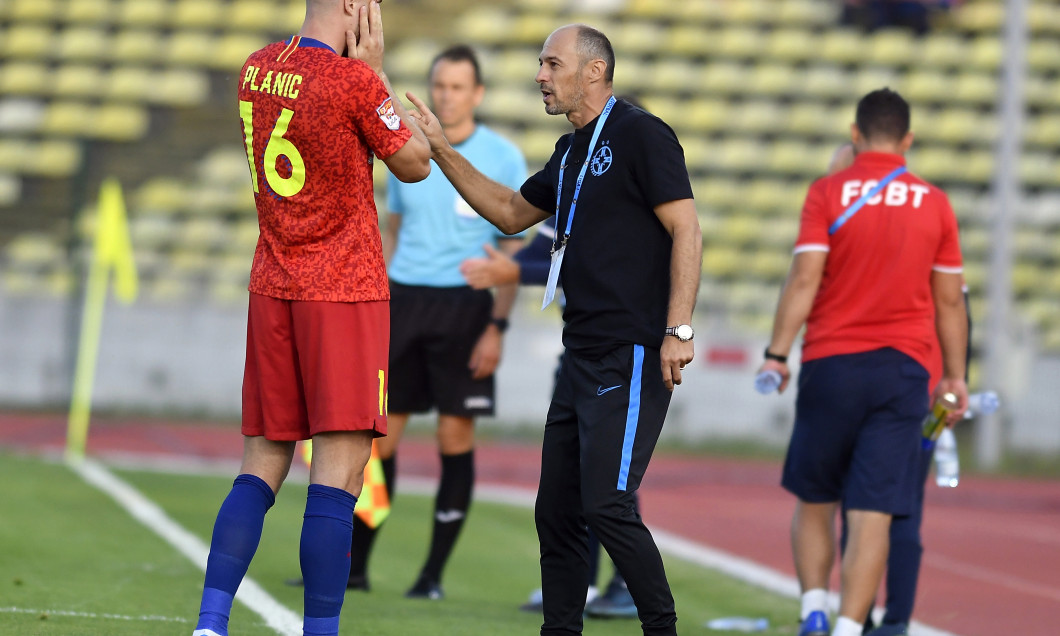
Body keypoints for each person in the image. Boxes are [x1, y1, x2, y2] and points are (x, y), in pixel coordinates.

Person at [406, 23, 702, 636]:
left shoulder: (641, 134)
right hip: (580, 354)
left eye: (551, 63)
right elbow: (513, 213)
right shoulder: (570, 151)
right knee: (558, 512)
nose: (540, 75)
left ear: (594, 70)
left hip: (633, 352)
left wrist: (679, 329)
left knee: (608, 506)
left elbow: (687, 230)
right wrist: (439, 149)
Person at [191, 2, 431, 635]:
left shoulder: (256, 68)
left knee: (260, 464)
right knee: (339, 472)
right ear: (355, 10)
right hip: (344, 293)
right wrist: (375, 77)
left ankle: (210, 624)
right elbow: (417, 163)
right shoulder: (353, 81)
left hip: (274, 283)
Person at [756, 88, 968, 636]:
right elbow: (950, 301)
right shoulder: (935, 203)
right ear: (908, 140)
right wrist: (956, 378)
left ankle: (814, 611)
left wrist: (777, 355)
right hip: (902, 373)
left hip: (832, 363)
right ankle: (852, 629)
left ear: (854, 134)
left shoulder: (827, 192)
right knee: (872, 510)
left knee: (816, 496)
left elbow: (804, 279)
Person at [341, 43, 527, 600]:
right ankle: (356, 567)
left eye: (456, 87)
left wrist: (498, 327)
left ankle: (432, 577)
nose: (445, 95)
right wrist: (376, 294)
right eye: (438, 85)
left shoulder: (503, 157)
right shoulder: (405, 149)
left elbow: (511, 253)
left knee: (453, 435)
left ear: (478, 94)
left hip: (466, 308)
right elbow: (393, 229)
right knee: (380, 441)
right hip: (405, 302)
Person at [826, 143, 973, 636]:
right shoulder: (919, 225)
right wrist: (956, 380)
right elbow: (958, 306)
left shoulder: (868, 236)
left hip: (902, 386)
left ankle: (885, 619)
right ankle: (873, 618)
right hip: (910, 384)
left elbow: (954, 307)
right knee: (885, 503)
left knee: (885, 504)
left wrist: (952, 383)